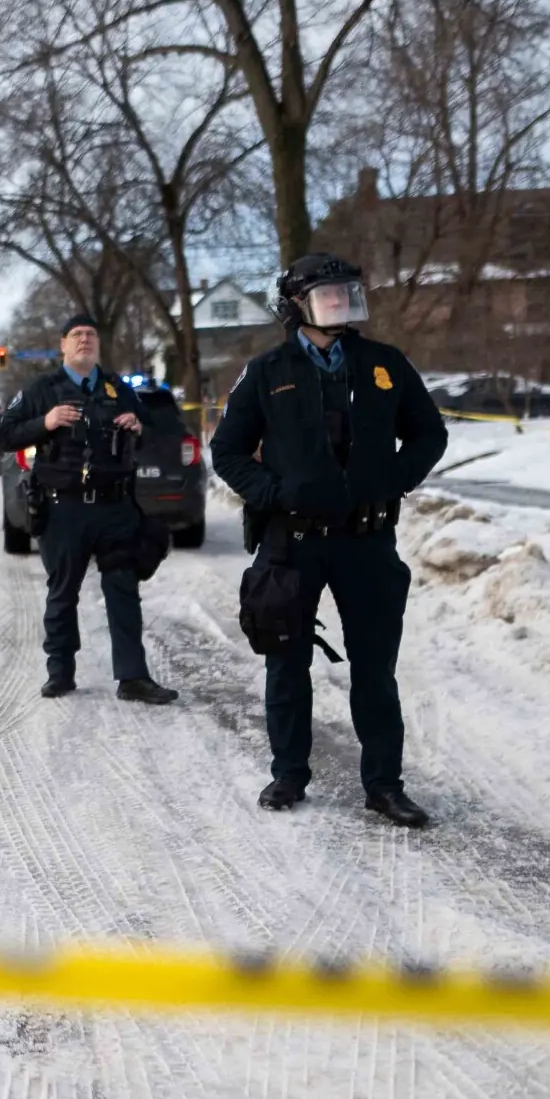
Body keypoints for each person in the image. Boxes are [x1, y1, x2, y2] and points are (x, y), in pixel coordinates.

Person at [210, 253, 448, 828]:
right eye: (328, 294)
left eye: (348, 293)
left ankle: (384, 785)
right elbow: (228, 451)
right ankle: (289, 772)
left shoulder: (384, 364)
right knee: (286, 664)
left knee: (375, 669)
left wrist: (390, 479)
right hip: (291, 545)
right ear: (296, 305)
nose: (341, 303)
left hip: (367, 543)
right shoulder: (267, 371)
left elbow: (428, 434)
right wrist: (273, 491)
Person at [0, 314, 179, 708]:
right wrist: (45, 422)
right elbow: (4, 435)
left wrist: (139, 425)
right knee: (63, 592)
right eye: (76, 335)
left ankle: (133, 676)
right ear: (62, 345)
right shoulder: (42, 390)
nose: (84, 340)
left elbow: (156, 429)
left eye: (91, 335)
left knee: (123, 590)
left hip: (114, 507)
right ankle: (59, 672)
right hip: (63, 510)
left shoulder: (116, 388)